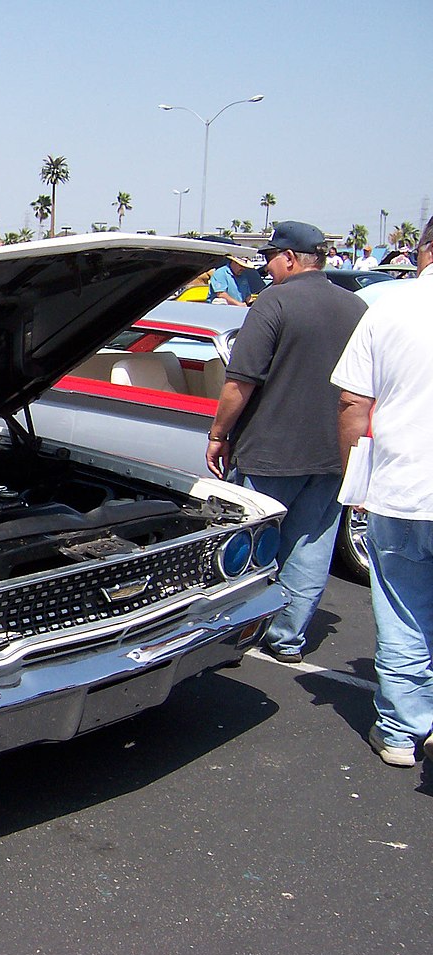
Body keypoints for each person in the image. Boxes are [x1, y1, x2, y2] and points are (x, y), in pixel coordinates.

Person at [205, 220, 366, 664]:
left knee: (250, 546)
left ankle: (239, 631)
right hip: (334, 454)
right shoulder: (356, 307)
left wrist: (219, 435)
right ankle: (288, 638)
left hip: (271, 453)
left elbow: (240, 383)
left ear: (290, 258)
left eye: (271, 259)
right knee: (312, 547)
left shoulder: (273, 304)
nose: (268, 269)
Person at [332, 215, 433, 768]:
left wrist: (356, 477)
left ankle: (399, 730)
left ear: (423, 251)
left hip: (401, 487)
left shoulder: (386, 309)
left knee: (403, 609)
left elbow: (353, 404)